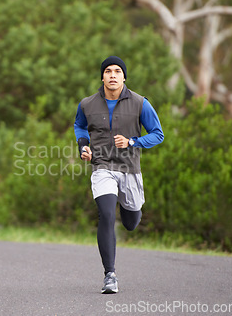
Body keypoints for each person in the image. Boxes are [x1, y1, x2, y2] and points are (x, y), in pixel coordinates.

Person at [73, 56, 164, 294]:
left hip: (129, 169)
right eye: (108, 71)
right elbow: (80, 126)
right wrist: (83, 146)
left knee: (131, 222)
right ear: (102, 76)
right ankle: (109, 275)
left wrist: (133, 141)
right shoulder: (87, 104)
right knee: (105, 215)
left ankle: (130, 210)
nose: (112, 75)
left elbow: (158, 134)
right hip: (102, 166)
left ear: (124, 76)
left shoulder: (140, 103)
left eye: (117, 71)